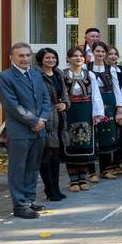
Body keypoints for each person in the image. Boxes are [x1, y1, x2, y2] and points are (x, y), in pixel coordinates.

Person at [0, 43, 52, 218]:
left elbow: (46, 98)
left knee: (33, 167)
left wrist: (42, 119)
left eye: (28, 55)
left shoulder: (36, 74)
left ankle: (29, 200)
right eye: (21, 55)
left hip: (39, 130)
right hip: (19, 131)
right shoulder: (4, 77)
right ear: (11, 58)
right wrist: (34, 121)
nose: (25, 58)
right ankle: (20, 205)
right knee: (18, 169)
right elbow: (11, 105)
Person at [63, 48, 104, 192]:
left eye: (81, 56)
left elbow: (96, 95)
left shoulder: (89, 74)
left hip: (86, 110)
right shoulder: (62, 74)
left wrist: (97, 114)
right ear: (69, 58)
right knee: (71, 144)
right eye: (75, 56)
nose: (78, 58)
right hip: (69, 111)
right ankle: (73, 180)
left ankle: (83, 178)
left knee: (85, 144)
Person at [36, 48, 69, 202]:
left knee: (56, 156)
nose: (51, 60)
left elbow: (65, 94)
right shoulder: (37, 75)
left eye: (53, 57)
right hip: (46, 118)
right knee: (46, 155)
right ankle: (49, 189)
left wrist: (65, 104)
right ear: (41, 59)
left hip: (60, 118)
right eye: (47, 58)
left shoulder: (58, 73)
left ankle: (56, 188)